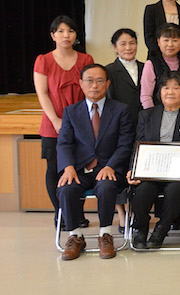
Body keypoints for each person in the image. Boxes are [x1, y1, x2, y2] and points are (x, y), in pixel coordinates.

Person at [56, 64, 134, 260]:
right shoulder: (71, 112)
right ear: (81, 84)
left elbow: (125, 144)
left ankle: (105, 234)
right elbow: (64, 143)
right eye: (89, 81)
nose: (94, 86)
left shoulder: (121, 110)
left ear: (107, 84)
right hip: (80, 169)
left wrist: (111, 165)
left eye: (100, 81)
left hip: (110, 168)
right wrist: (68, 167)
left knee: (106, 187)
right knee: (66, 188)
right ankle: (76, 236)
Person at [128, 72, 180, 249]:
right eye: (166, 87)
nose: (170, 92)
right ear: (159, 91)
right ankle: (140, 228)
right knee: (142, 192)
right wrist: (133, 169)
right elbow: (137, 146)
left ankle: (161, 229)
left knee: (175, 192)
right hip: (151, 171)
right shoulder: (146, 115)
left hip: (179, 173)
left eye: (176, 87)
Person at [33, 16, 94, 227]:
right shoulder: (44, 60)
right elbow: (42, 94)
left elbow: (90, 91)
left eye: (70, 31)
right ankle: (60, 213)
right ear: (53, 35)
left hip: (81, 124)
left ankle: (77, 214)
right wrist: (56, 120)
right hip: (53, 123)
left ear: (76, 35)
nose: (65, 35)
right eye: (60, 31)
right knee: (54, 169)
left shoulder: (86, 60)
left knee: (80, 168)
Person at [105, 28, 143, 231]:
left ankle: (137, 212)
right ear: (115, 47)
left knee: (138, 169)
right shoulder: (109, 70)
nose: (128, 47)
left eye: (132, 43)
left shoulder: (146, 67)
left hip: (143, 126)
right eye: (123, 44)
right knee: (120, 168)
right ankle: (122, 214)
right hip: (119, 127)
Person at [140, 23, 180, 109]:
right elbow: (146, 96)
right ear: (158, 42)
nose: (170, 44)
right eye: (166, 40)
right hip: (159, 113)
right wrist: (152, 116)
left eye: (175, 40)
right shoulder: (151, 64)